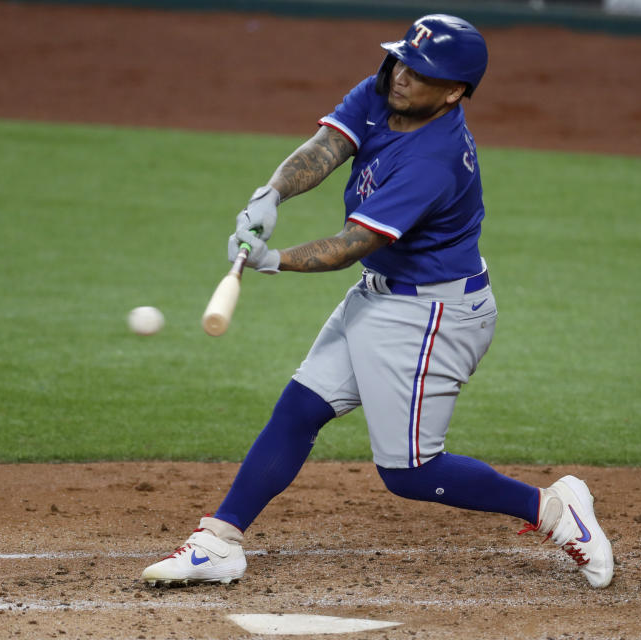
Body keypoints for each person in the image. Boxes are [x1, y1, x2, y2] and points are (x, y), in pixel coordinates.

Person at [142, 14, 613, 589]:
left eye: (421, 74)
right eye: (402, 62)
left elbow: (349, 246)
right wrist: (271, 195)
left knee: (411, 471)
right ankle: (218, 542)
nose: (402, 78)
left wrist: (273, 259)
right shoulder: (385, 87)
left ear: (455, 91)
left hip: (431, 314)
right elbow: (327, 146)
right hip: (382, 295)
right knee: (300, 409)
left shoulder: (432, 160)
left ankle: (556, 511)